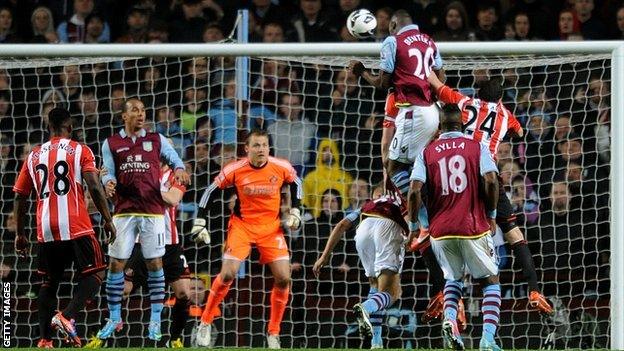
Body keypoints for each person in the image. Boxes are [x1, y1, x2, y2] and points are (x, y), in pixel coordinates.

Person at [428, 72, 554, 315]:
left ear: (478, 93)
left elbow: (435, 83)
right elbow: (519, 134)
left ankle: (448, 297)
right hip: (489, 178)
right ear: (499, 99)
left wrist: (431, 63)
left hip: (461, 176)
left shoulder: (464, 102)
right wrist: (500, 114)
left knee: (441, 231)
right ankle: (535, 290)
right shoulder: (506, 114)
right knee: (514, 234)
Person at [12, 107, 115, 348]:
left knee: (49, 284)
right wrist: (108, 219)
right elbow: (94, 185)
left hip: (45, 228)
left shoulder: (34, 155)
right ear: (70, 127)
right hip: (76, 224)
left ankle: (45, 340)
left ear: (49, 128)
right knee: (97, 273)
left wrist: (20, 233)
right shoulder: (80, 150)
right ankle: (67, 316)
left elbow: (19, 196)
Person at [191, 129, 302, 349]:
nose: (262, 149)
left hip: (271, 228)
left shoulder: (281, 167)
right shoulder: (235, 169)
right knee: (228, 273)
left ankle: (273, 333)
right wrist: (200, 221)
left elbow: (297, 183)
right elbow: (210, 192)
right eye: (257, 145)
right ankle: (205, 321)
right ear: (247, 148)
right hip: (242, 226)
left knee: (284, 278)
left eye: (265, 145)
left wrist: (296, 211)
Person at [93, 98, 190, 342]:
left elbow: (175, 160)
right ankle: (114, 317)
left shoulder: (157, 140)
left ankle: (155, 320)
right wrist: (108, 182)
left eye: (143, 110)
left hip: (152, 212)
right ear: (123, 116)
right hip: (124, 211)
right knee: (114, 265)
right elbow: (108, 171)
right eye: (135, 110)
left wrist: (179, 168)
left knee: (155, 263)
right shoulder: (111, 143)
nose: (140, 114)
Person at [407, 104, 501, 351]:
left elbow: (415, 190)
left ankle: (451, 323)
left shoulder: (427, 152)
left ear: (440, 126)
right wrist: (491, 214)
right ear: (463, 124)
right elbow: (491, 180)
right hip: (473, 226)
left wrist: (414, 225)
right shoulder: (476, 146)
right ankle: (487, 340)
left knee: (452, 277)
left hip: (440, 230)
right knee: (490, 281)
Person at [85, 160, 191, 348]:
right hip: (140, 244)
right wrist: (106, 184)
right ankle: (99, 338)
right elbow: (112, 201)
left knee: (183, 293)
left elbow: (173, 199)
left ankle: (175, 339)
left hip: (169, 246)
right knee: (120, 290)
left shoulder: (176, 176)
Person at [348, 9, 444, 199]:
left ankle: (423, 217)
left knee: (392, 167)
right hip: (432, 112)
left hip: (413, 112)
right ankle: (425, 209)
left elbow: (383, 83)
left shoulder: (392, 41)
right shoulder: (429, 41)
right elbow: (441, 77)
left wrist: (362, 72)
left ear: (393, 25)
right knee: (418, 166)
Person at [313, 181, 407, 349]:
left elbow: (341, 225)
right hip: (388, 226)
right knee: (392, 292)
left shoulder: (368, 205)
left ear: (375, 195)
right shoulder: (399, 201)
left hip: (364, 228)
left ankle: (376, 341)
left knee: (374, 284)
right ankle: (366, 307)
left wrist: (324, 256)